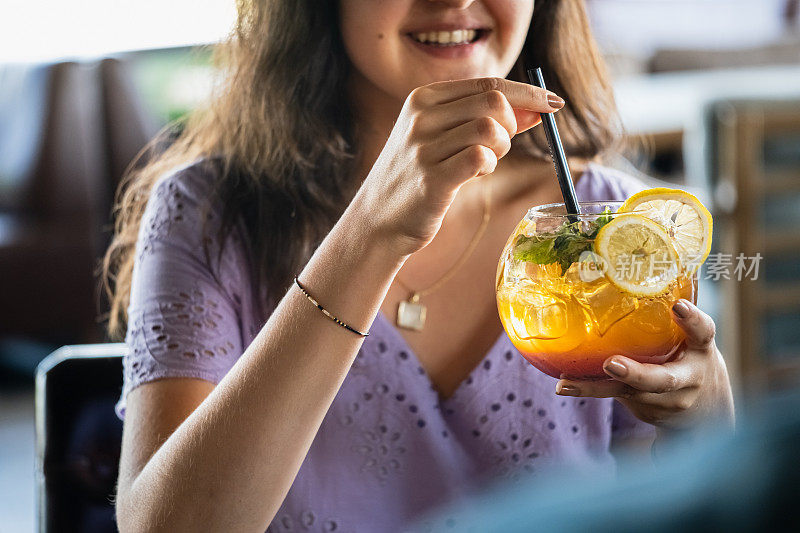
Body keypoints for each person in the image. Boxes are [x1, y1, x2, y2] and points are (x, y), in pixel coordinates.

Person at [103, 1, 735, 531]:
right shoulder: (208, 214)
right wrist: (371, 232)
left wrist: (705, 420)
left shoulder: (617, 227)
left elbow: (687, 501)